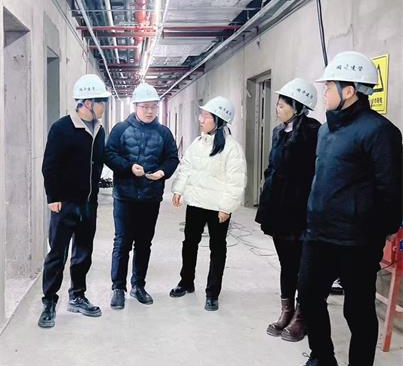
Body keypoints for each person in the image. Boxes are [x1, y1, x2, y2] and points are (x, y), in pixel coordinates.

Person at [290, 52, 402, 366]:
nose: (324, 92)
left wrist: (381, 232)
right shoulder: (326, 130)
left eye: (329, 87)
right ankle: (323, 359)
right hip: (319, 234)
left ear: (349, 90)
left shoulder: (381, 132)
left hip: (357, 240)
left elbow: (392, 191)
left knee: (358, 313)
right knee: (308, 297)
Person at [38, 74, 110, 328]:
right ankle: (49, 301)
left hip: (89, 204)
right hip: (64, 204)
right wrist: (53, 197)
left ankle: (77, 296)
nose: (104, 106)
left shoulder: (99, 130)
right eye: (101, 102)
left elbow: (98, 163)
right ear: (88, 103)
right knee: (57, 254)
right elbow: (50, 165)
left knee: (83, 253)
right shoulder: (61, 128)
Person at [256, 78, 320, 342]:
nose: (277, 109)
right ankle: (287, 310)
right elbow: (273, 166)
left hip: (301, 209)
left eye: (282, 105)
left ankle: (302, 317)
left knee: (304, 265)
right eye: (278, 104)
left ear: (298, 107)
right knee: (286, 263)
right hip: (278, 207)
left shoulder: (314, 132)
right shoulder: (277, 132)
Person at [105, 82, 179, 309]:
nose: (149, 111)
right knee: (122, 242)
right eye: (145, 106)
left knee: (144, 243)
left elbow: (172, 158)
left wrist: (163, 172)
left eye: (153, 107)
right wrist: (128, 167)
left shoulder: (163, 133)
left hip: (150, 197)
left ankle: (138, 285)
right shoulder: (120, 129)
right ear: (135, 106)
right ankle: (118, 288)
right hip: (125, 196)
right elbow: (109, 154)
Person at [169, 96, 247, 311]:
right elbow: (186, 167)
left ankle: (212, 293)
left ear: (219, 120)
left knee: (217, 248)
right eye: (201, 115)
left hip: (217, 208)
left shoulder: (231, 148)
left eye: (206, 116)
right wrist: (178, 189)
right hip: (195, 203)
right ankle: (186, 281)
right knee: (189, 243)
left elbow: (236, 181)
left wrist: (227, 207)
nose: (201, 120)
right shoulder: (198, 143)